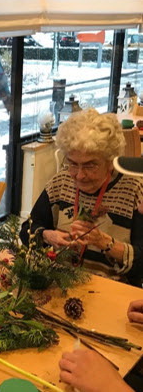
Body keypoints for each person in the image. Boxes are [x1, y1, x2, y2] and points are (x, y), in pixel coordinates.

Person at [20, 108, 143, 286]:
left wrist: (105, 243)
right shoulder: (61, 182)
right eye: (72, 163)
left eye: (90, 165)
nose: (79, 175)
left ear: (110, 161)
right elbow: (26, 231)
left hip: (113, 289)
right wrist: (48, 236)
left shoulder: (134, 191)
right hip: (61, 284)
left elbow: (140, 266)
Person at [59, 156, 143, 392]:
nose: (140, 206)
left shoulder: (130, 191)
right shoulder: (61, 183)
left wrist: (110, 385)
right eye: (73, 163)